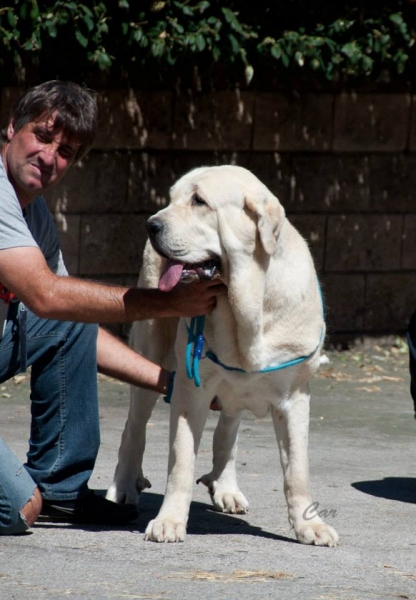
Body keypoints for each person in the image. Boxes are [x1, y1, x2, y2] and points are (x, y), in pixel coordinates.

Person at [0, 80, 226, 535]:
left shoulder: (35, 214)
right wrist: (165, 303)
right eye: (42, 136)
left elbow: (65, 318)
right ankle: (36, 496)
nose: (50, 157)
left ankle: (61, 491)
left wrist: (172, 383)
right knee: (17, 509)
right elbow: (47, 295)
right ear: (11, 128)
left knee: (72, 321)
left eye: (66, 151)